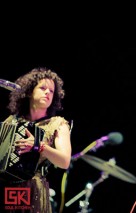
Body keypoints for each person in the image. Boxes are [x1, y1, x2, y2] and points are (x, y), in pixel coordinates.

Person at [0, 67, 72, 213]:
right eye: (43, 88)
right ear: (29, 91)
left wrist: (39, 146)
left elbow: (64, 161)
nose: (47, 93)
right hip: (6, 186)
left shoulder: (58, 124)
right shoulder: (11, 121)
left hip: (33, 189)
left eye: (51, 91)